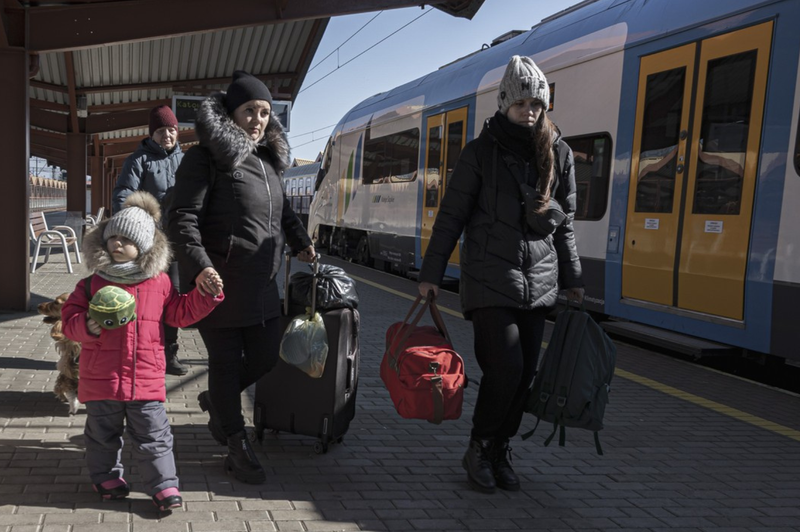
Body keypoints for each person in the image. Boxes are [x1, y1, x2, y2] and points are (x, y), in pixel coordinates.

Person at [418, 55, 585, 494]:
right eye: (521, 102)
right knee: (505, 367)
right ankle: (479, 444)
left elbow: (565, 224)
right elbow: (451, 217)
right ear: (505, 102)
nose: (530, 111)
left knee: (525, 372)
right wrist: (431, 273)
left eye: (537, 103)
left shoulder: (560, 153)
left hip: (541, 281)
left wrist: (574, 280)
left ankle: (499, 448)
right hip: (490, 279)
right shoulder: (481, 153)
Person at [167, 70, 315, 485]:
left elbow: (283, 212)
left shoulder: (269, 162)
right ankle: (236, 443)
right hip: (220, 282)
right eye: (250, 110)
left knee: (267, 355)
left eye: (265, 112)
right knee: (227, 364)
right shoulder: (204, 157)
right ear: (230, 113)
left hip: (263, 283)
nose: (258, 119)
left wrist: (300, 240)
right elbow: (182, 217)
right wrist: (200, 266)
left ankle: (217, 399)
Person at [60, 191, 224, 511]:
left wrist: (205, 296)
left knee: (156, 436)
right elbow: (69, 323)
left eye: (127, 239)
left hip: (145, 377)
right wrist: (87, 325)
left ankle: (164, 486)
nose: (117, 244)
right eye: (113, 237)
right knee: (102, 435)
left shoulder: (159, 282)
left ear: (145, 246)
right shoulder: (91, 284)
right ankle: (106, 478)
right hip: (101, 378)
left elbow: (178, 314)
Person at [111, 105, 188, 376]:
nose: (167, 135)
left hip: (178, 240)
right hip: (150, 242)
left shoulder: (186, 160)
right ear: (151, 134)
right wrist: (134, 224)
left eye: (171, 129)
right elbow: (123, 192)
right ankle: (142, 350)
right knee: (146, 298)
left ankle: (170, 352)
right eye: (161, 130)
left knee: (174, 294)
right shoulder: (138, 160)